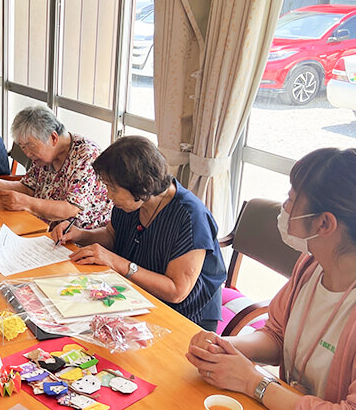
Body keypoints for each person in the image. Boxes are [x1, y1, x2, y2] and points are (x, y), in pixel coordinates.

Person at [186, 148, 356, 410]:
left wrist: (254, 382)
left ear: (324, 223)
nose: (285, 206)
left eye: (292, 198)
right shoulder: (314, 263)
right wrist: (226, 347)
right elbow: (278, 336)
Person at [53, 136, 226, 330]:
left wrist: (117, 263)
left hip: (185, 315)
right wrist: (81, 235)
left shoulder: (190, 217)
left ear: (141, 186)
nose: (109, 196)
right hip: (136, 294)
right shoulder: (131, 201)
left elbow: (176, 291)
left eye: (113, 188)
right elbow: (112, 236)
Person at [0, 106, 112, 230]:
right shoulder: (43, 158)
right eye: (23, 147)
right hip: (43, 225)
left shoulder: (85, 155)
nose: (28, 153)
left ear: (53, 137)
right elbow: (28, 189)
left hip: (76, 238)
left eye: (31, 146)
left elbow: (70, 209)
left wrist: (27, 203)